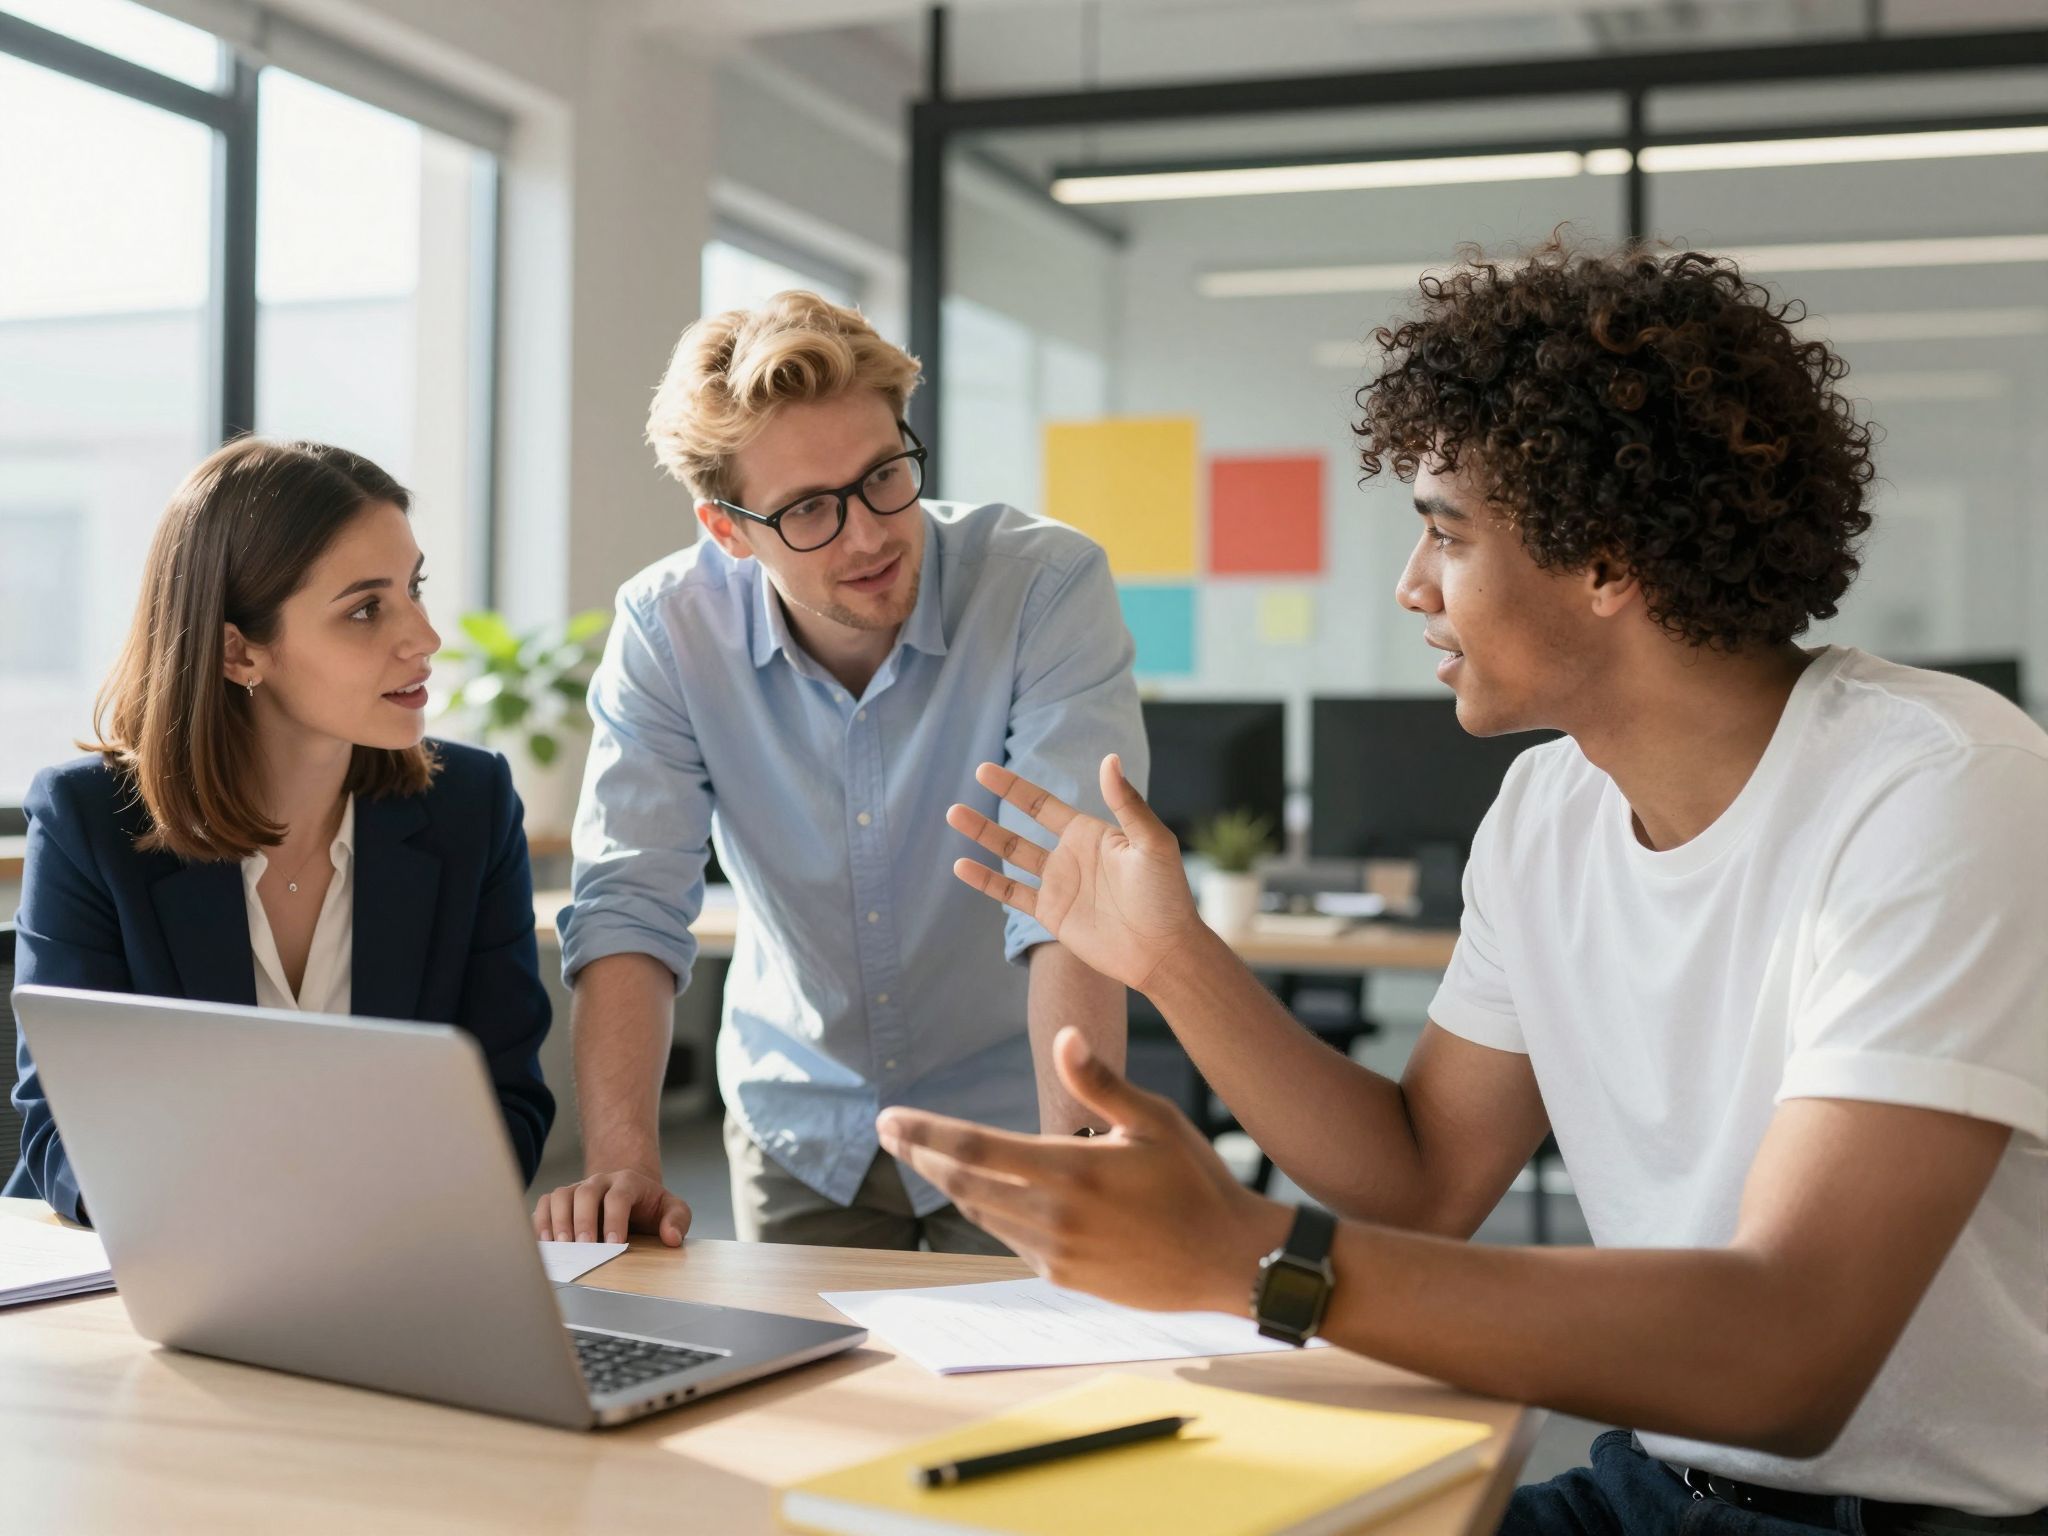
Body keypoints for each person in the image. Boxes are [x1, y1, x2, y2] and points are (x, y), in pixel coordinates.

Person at [876, 242, 2048, 1532]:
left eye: (1444, 532)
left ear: (1604, 561)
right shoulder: (1548, 812)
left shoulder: (1940, 787)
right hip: (1661, 1487)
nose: (1410, 587)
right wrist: (1172, 955)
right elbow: (1420, 1179)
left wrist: (1255, 1259)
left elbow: (1785, 1356)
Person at [533, 291, 1143, 1253]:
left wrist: (1082, 1153)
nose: (867, 535)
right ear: (728, 530)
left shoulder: (1043, 587)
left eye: (883, 476)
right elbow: (630, 904)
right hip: (801, 1122)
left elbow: (1068, 893)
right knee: (813, 1398)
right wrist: (624, 1162)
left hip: (1017, 1116)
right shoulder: (669, 628)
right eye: (810, 508)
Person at [7, 438, 555, 1224]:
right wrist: (267, 1219)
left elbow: (507, 1109)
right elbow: (64, 1138)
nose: (424, 638)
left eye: (414, 588)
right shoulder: (90, 821)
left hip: (385, 1265)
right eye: (367, 609)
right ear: (237, 651)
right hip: (135, 1277)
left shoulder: (470, 805)